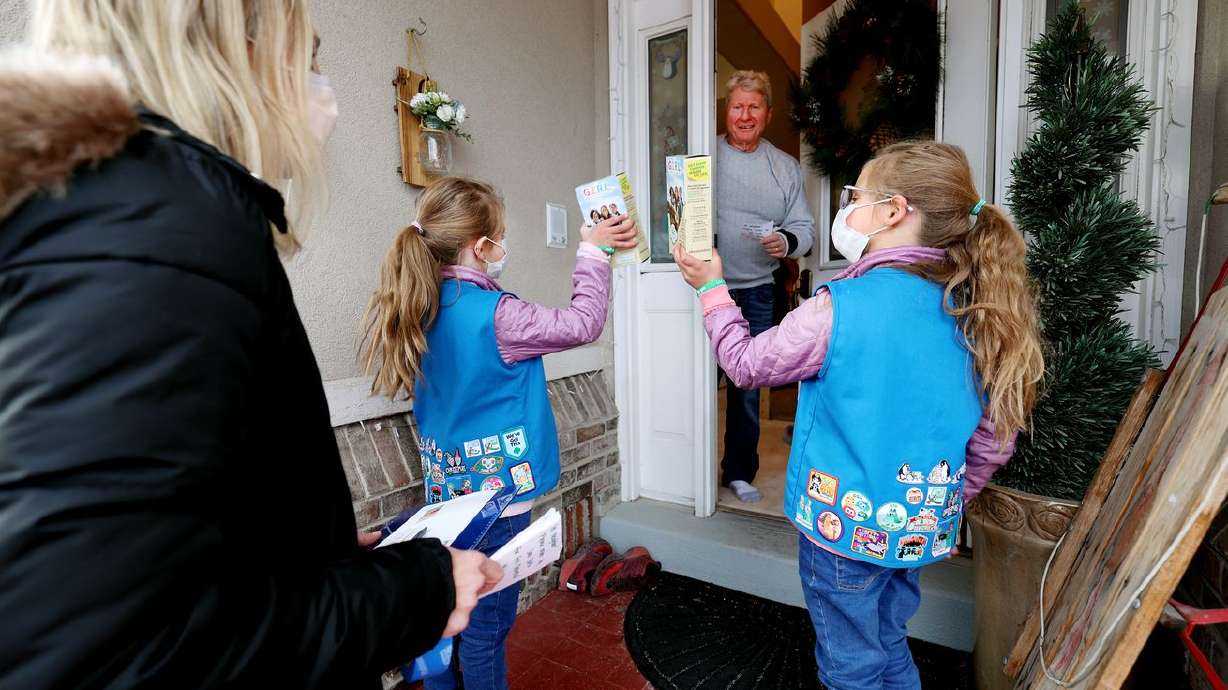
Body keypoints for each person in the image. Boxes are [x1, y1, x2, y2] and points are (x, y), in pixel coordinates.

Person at [0, 2, 499, 688]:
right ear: (237, 50)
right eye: (312, 57)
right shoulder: (160, 241)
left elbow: (162, 538)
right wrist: (410, 596)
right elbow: (118, 651)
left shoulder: (116, 218)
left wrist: (303, 555)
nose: (322, 88)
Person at [675, 142, 1044, 690]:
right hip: (918, 527)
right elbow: (997, 438)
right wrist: (948, 498)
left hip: (841, 532)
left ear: (894, 210)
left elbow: (746, 363)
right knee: (890, 641)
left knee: (850, 664)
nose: (847, 208)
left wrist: (710, 288)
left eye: (855, 195)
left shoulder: (838, 307)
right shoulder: (981, 312)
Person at [361, 177, 638, 690]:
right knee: (488, 633)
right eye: (500, 236)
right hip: (499, 505)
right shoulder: (499, 315)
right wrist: (593, 253)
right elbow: (583, 323)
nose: (502, 247)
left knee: (444, 627)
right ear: (480, 245)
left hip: (447, 498)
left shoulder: (417, 305)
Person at [715, 70, 816, 503]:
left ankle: (739, 472)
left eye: (754, 106)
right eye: (737, 106)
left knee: (746, 390)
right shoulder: (706, 159)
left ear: (768, 114)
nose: (745, 115)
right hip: (705, 287)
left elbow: (806, 229)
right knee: (693, 380)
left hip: (756, 289)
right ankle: (685, 467)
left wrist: (787, 242)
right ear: (726, 110)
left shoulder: (784, 168)